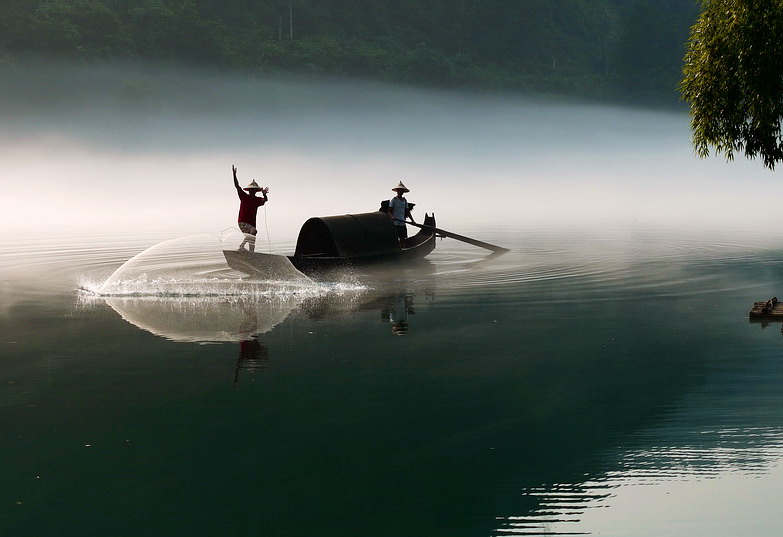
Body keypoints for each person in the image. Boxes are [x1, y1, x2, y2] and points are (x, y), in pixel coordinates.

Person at [232, 165, 269, 252]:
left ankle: (251, 257)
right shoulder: (244, 196)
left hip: (252, 224)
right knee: (254, 232)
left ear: (256, 191)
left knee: (252, 246)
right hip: (243, 222)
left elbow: (265, 200)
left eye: (254, 190)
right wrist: (234, 175)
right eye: (251, 190)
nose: (253, 192)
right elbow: (237, 186)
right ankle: (241, 247)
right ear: (249, 191)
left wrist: (264, 194)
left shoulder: (257, 200)